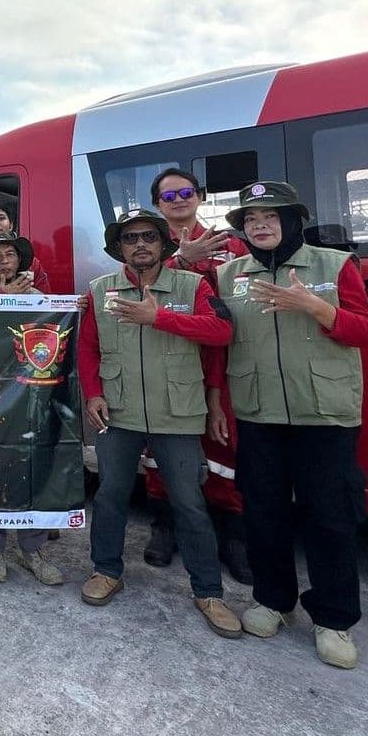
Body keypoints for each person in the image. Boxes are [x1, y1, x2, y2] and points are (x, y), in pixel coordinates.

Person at [215, 181, 368, 668]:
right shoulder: (228, 275)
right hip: (258, 411)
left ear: (292, 222)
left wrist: (316, 308)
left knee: (330, 517)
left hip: (323, 412)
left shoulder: (333, 265)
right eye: (249, 219)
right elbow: (217, 338)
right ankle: (273, 601)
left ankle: (334, 620)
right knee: (263, 512)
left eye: (270, 216)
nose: (259, 225)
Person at [77, 209, 243, 638]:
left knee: (188, 501)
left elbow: (221, 333)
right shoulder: (100, 290)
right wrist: (93, 392)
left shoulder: (192, 285)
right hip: (119, 410)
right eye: (130, 238)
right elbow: (89, 349)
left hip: (178, 412)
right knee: (111, 495)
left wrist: (160, 318)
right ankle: (106, 570)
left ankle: (209, 592)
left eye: (149, 236)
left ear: (164, 244)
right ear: (120, 248)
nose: (140, 245)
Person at [144, 167, 253, 582]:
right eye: (168, 197)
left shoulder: (232, 244)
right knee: (161, 445)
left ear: (200, 196)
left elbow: (241, 297)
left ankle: (233, 539)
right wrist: (178, 260)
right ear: (158, 204)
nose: (178, 201)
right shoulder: (148, 242)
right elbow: (135, 285)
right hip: (164, 353)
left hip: (218, 352)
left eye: (185, 192)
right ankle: (164, 528)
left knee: (223, 445)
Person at [0, 231, 65, 585]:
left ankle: (31, 547)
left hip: (27, 398)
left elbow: (52, 333)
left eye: (9, 254)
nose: (4, 260)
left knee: (29, 467)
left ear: (20, 261)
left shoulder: (39, 297)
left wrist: (73, 308)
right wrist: (2, 303)